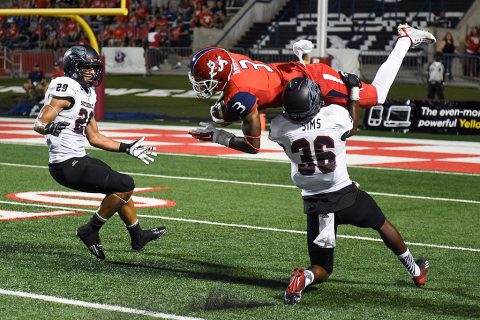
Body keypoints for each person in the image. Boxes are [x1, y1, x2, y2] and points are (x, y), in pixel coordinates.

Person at [267, 76, 429, 305]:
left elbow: (284, 121)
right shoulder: (334, 115)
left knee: (322, 267)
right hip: (345, 196)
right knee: (382, 224)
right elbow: (353, 125)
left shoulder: (279, 128)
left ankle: (304, 278)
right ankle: (416, 271)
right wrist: (353, 90)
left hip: (315, 204)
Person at [188, 24, 436, 154]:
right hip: (291, 82)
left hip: (315, 82)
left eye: (201, 80)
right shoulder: (228, 59)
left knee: (377, 95)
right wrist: (221, 113)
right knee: (317, 137)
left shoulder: (240, 94)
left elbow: (253, 146)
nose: (199, 85)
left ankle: (405, 39)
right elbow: (233, 102)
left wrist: (216, 135)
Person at [33, 45, 165, 260]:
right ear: (75, 68)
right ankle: (90, 229)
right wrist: (47, 127)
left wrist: (127, 147)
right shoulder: (66, 86)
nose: (94, 73)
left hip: (79, 158)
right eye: (88, 68)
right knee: (125, 184)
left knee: (120, 188)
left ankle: (137, 235)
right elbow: (39, 122)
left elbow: (95, 137)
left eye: (95, 68)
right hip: (65, 165)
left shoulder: (88, 93)